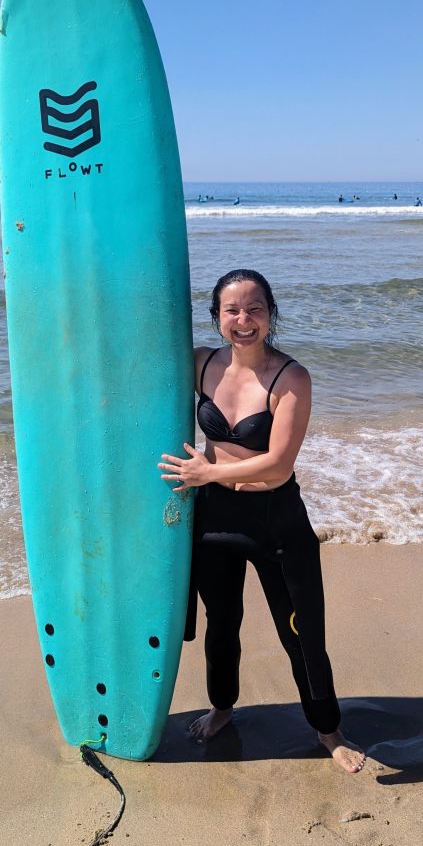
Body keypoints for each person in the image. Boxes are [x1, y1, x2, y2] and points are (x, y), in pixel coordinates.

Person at [158, 269, 366, 774]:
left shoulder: (290, 377)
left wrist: (208, 471)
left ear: (271, 314)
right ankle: (222, 708)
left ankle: (329, 730)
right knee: (221, 623)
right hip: (214, 516)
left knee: (301, 630)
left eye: (255, 309)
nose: (244, 320)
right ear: (216, 316)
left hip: (276, 521)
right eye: (232, 310)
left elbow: (278, 464)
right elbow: (136, 369)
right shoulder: (201, 363)